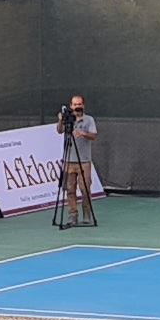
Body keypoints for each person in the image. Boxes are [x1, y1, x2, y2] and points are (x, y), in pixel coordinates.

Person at [59, 95, 100, 224]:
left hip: (84, 161)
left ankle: (87, 213)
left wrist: (83, 133)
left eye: (79, 104)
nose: (77, 106)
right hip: (69, 160)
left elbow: (94, 135)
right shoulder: (67, 119)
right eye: (75, 104)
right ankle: (73, 215)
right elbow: (60, 131)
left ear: (83, 105)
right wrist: (60, 121)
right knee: (70, 189)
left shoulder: (89, 120)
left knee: (85, 189)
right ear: (71, 106)